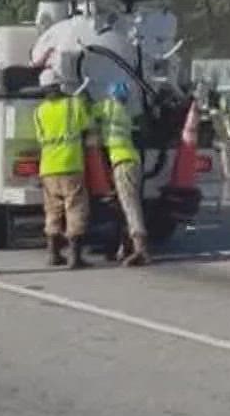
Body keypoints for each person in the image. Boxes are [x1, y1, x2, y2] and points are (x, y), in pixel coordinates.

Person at [31, 68, 96, 268]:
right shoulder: (73, 105)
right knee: (75, 208)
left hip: (48, 167)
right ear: (59, 85)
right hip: (70, 164)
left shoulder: (39, 111)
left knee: (52, 211)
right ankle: (75, 257)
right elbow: (88, 126)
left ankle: (53, 254)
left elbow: (40, 138)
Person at [95, 79, 152, 266]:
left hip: (123, 162)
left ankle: (141, 250)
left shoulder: (108, 107)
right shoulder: (125, 112)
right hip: (131, 161)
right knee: (125, 205)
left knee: (130, 205)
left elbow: (86, 113)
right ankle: (125, 246)